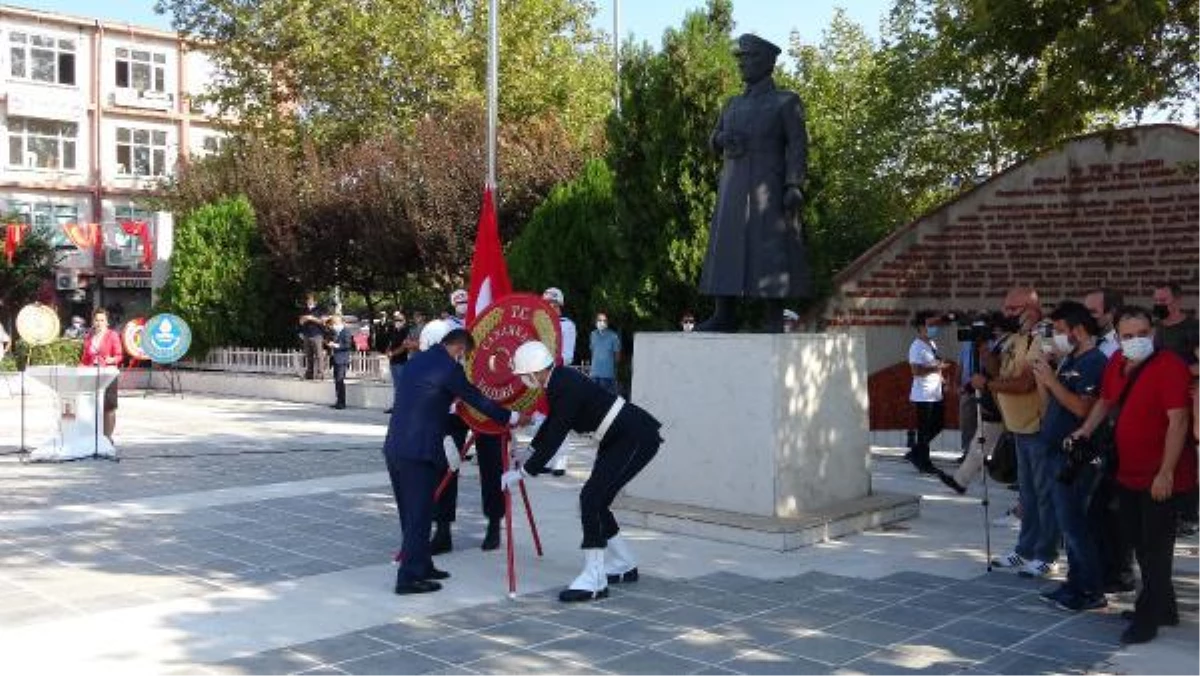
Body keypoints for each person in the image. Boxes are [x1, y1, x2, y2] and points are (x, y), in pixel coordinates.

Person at [1072, 306, 1196, 644]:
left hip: (1160, 475)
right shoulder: (1117, 363)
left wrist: (1166, 472)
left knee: (1156, 548)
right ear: (1117, 337)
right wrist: (1085, 431)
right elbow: (1105, 401)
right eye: (1128, 336)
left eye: (1143, 334)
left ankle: (1148, 617)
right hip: (1127, 471)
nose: (1137, 340)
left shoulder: (1169, 366)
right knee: (1140, 544)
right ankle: (1165, 607)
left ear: (1152, 333)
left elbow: (1179, 421)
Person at [506, 340, 662, 602]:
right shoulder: (559, 380)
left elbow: (556, 433)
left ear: (533, 371)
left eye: (523, 374)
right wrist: (529, 453)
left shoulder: (563, 384)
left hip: (633, 436)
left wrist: (524, 472)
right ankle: (624, 563)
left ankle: (595, 579)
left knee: (591, 499)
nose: (523, 379)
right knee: (596, 501)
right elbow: (552, 425)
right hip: (618, 436)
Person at [383, 329, 520, 595]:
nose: (463, 360)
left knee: (410, 512)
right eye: (464, 356)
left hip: (396, 447)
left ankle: (422, 564)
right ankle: (408, 578)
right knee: (419, 514)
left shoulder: (418, 360)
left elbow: (427, 397)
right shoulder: (449, 369)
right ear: (459, 350)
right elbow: (476, 398)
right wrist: (513, 418)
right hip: (418, 452)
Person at [696, 34, 810, 333]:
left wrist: (793, 184)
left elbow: (797, 144)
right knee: (727, 245)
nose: (743, 64)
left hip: (768, 184)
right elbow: (713, 138)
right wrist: (721, 140)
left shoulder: (786, 101)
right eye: (741, 59)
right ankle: (724, 312)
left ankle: (772, 315)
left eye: (750, 58)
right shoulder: (732, 104)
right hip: (733, 185)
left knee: (769, 247)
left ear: (769, 63)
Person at [1032, 301, 1107, 611]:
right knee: (1068, 524)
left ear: (1078, 331)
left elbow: (1082, 408)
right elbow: (1049, 401)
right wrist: (1044, 375)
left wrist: (1051, 380)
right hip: (1054, 450)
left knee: (1075, 525)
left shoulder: (1093, 361)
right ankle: (1075, 584)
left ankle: (1090, 590)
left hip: (1075, 457)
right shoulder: (1067, 359)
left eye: (1061, 331)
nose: (1058, 337)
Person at [978, 287, 1057, 578]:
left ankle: (1047, 554)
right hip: (1017, 426)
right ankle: (1024, 550)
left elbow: (1024, 383)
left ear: (1032, 309)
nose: (1007, 314)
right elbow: (999, 372)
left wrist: (986, 385)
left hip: (1038, 425)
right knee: (1027, 495)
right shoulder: (1013, 337)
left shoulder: (1044, 336)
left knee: (1044, 494)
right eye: (1006, 308)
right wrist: (986, 353)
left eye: (1013, 309)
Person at [906, 310, 946, 474]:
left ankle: (915, 452)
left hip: (935, 392)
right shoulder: (916, 346)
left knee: (938, 425)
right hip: (923, 394)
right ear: (921, 327)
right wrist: (936, 368)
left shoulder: (932, 344)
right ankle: (923, 461)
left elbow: (937, 364)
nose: (934, 328)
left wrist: (941, 377)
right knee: (925, 428)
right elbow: (915, 371)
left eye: (935, 325)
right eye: (930, 325)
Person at [543, 287, 577, 476]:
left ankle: (560, 461)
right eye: (546, 303)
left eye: (553, 303)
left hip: (559, 374)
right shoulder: (539, 324)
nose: (549, 306)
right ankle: (546, 459)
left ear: (560, 305)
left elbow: (568, 355)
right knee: (543, 421)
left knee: (560, 419)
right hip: (541, 378)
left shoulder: (567, 325)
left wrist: (548, 364)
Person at [79, 308, 124, 442]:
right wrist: (80, 368)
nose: (99, 323)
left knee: (108, 407)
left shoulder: (112, 335)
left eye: (102, 320)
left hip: (108, 374)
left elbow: (119, 355)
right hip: (92, 375)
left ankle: (108, 437)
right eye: (97, 320)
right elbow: (85, 358)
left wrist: (112, 360)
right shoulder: (89, 337)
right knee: (93, 407)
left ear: (107, 322)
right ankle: (96, 437)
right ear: (93, 322)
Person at [383, 312, 413, 415]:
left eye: (399, 320)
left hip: (401, 361)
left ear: (404, 321)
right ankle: (396, 406)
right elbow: (390, 343)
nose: (397, 322)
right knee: (396, 385)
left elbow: (404, 346)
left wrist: (393, 353)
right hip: (393, 362)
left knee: (401, 386)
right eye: (396, 320)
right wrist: (387, 351)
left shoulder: (406, 331)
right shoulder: (394, 330)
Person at [1084, 288, 1123, 359]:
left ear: (1111, 312)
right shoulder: (1083, 341)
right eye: (1085, 312)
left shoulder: (1122, 345)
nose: (1086, 316)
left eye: (1093, 311)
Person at [589, 312, 621, 395]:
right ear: (596, 321)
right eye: (599, 320)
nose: (602, 322)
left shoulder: (614, 336)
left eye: (604, 320)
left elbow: (617, 356)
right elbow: (593, 351)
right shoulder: (593, 334)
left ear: (607, 322)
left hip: (607, 375)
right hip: (594, 374)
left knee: (605, 399)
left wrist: (614, 371)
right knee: (593, 398)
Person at [298, 293, 328, 380]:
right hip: (306, 335)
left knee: (319, 355)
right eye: (307, 300)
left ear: (315, 301)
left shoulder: (320, 309)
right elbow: (300, 322)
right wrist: (302, 321)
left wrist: (312, 318)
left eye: (310, 300)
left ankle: (320, 373)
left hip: (317, 335)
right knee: (308, 355)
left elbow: (323, 322)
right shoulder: (304, 310)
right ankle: (309, 373)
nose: (309, 301)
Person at [326, 315, 352, 409]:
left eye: (333, 324)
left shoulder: (346, 332)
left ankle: (342, 402)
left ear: (338, 323)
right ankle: (338, 401)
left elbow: (348, 345)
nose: (332, 326)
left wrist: (336, 345)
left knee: (340, 381)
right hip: (335, 359)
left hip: (342, 360)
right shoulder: (334, 332)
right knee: (337, 381)